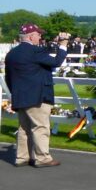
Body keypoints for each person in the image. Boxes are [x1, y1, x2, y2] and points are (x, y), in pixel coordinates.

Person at [5, 24, 69, 167]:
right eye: (38, 35)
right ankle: (42, 158)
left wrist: (54, 42)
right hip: (37, 96)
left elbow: (8, 78)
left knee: (24, 128)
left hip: (20, 95)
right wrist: (63, 46)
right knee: (40, 127)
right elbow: (56, 62)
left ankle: (22, 157)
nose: (40, 37)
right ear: (31, 36)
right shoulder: (35, 51)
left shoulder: (12, 54)